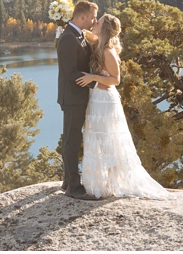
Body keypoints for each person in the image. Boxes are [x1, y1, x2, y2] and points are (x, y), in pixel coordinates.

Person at [76, 14, 177, 200]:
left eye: (97, 22)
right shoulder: (99, 43)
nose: (94, 23)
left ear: (104, 28)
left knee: (109, 142)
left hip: (106, 101)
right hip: (96, 99)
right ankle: (102, 184)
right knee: (99, 141)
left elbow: (116, 79)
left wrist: (93, 77)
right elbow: (84, 33)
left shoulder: (107, 51)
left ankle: (114, 184)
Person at [56, 0, 99, 200]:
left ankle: (67, 182)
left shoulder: (78, 35)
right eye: (92, 17)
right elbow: (71, 72)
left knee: (71, 139)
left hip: (77, 96)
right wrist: (97, 84)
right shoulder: (67, 38)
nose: (94, 20)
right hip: (72, 97)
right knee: (72, 141)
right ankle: (74, 187)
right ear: (82, 17)